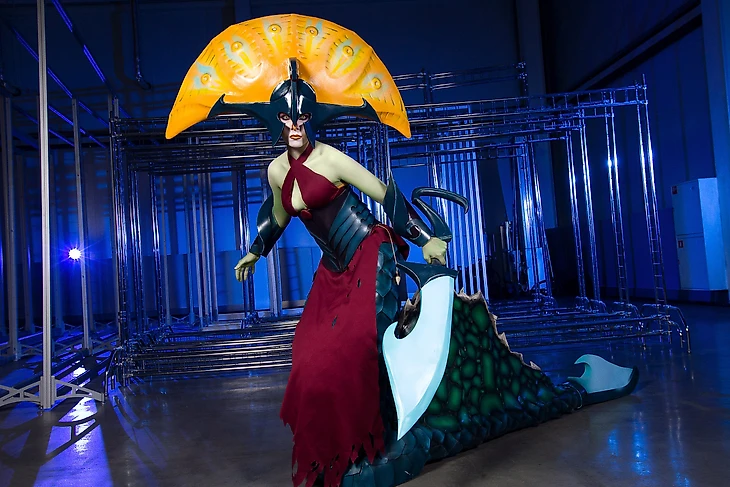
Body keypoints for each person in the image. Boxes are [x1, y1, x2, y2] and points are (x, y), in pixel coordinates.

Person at [165, 14, 639, 487]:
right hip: (332, 271)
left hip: (369, 252)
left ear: (312, 118)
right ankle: (339, 446)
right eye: (288, 118)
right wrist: (255, 249)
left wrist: (423, 238)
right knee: (309, 353)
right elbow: (278, 214)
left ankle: (373, 443)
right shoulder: (275, 171)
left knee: (357, 348)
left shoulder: (331, 158)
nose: (295, 126)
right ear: (275, 119)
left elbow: (384, 195)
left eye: (303, 118)